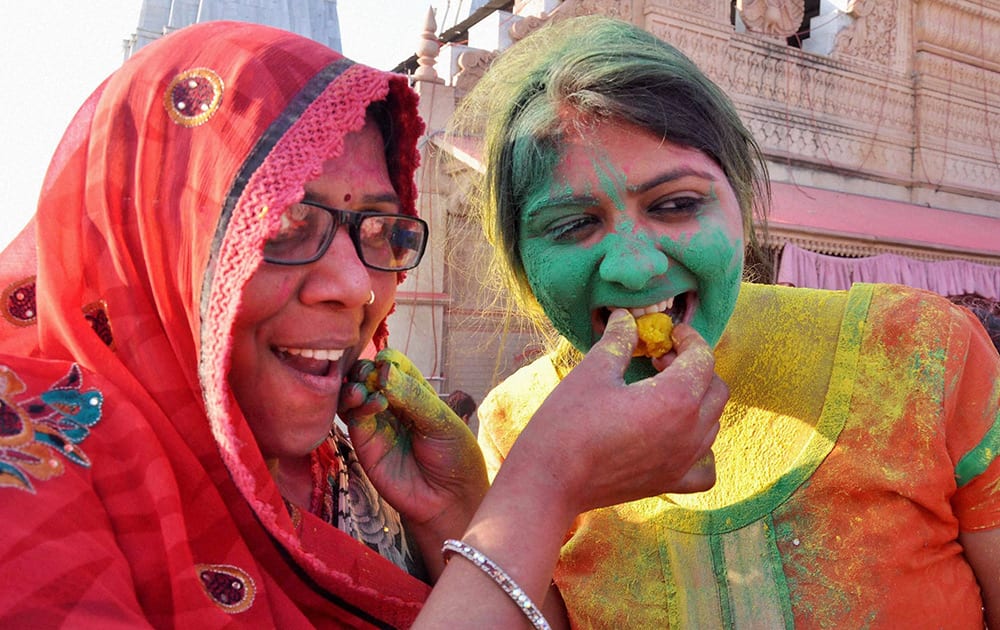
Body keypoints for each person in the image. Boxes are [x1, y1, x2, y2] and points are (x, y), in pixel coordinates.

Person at [0, 20, 724, 628]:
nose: (355, 286)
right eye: (283, 222)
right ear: (154, 239)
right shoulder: (29, 460)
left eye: (379, 230)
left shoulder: (351, 471)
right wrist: (538, 494)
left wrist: (456, 516)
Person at [452, 15, 1000, 629]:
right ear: (521, 258)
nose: (634, 270)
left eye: (677, 205)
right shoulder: (515, 427)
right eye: (573, 224)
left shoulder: (924, 352)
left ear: (740, 201)